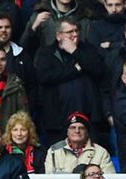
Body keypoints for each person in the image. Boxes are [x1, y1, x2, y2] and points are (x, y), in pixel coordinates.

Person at [35, 17, 107, 147]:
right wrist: (75, 69)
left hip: (89, 117)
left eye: (76, 30)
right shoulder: (46, 53)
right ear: (58, 35)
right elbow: (44, 77)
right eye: (69, 32)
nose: (75, 34)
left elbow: (98, 70)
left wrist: (74, 51)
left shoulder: (87, 49)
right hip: (57, 120)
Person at [45, 111, 116, 174]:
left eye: (81, 128)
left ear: (87, 133)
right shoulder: (54, 151)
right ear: (67, 132)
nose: (77, 131)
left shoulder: (101, 152)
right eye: (73, 128)